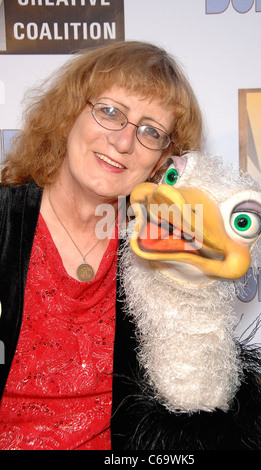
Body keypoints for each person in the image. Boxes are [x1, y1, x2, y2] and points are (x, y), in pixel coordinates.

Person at [0, 41, 203, 450]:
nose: (124, 142)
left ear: (164, 162)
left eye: (151, 131)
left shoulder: (157, 247)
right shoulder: (5, 220)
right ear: (67, 114)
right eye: (111, 111)